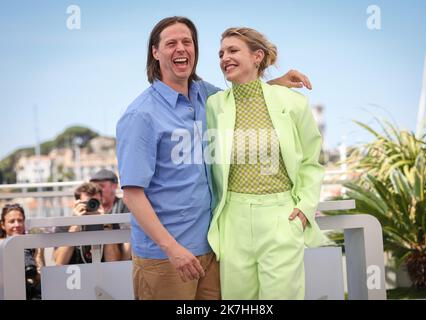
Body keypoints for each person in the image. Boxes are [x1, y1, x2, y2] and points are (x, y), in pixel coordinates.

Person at [116, 16, 312, 300]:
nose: (181, 48)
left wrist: (277, 83)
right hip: (166, 258)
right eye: (171, 43)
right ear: (155, 53)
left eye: (187, 41)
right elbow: (133, 195)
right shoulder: (140, 115)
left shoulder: (205, 96)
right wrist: (172, 250)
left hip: (213, 250)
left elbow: (246, 96)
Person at [205, 27, 330, 300]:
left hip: (281, 216)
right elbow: (245, 95)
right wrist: (278, 80)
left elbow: (311, 161)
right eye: (221, 53)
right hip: (232, 219)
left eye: (233, 50)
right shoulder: (213, 105)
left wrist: (304, 208)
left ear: (257, 56)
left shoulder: (293, 103)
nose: (224, 57)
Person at [52, 182, 122, 265]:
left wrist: (106, 225)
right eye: (87, 203)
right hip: (73, 276)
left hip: (103, 275)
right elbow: (60, 263)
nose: (91, 206)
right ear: (77, 204)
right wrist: (75, 224)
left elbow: (114, 263)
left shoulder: (110, 224)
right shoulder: (64, 225)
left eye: (95, 202)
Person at [1, 203, 43, 300]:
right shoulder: (1, 246)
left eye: (20, 221)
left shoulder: (32, 246)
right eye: (12, 221)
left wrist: (38, 256)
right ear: (3, 225)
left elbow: (40, 280)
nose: (17, 225)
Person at [90, 169, 131, 260]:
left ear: (114, 186)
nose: (97, 191)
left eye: (101, 186)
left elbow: (128, 242)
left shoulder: (125, 207)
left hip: (118, 262)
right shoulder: (87, 208)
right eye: (93, 187)